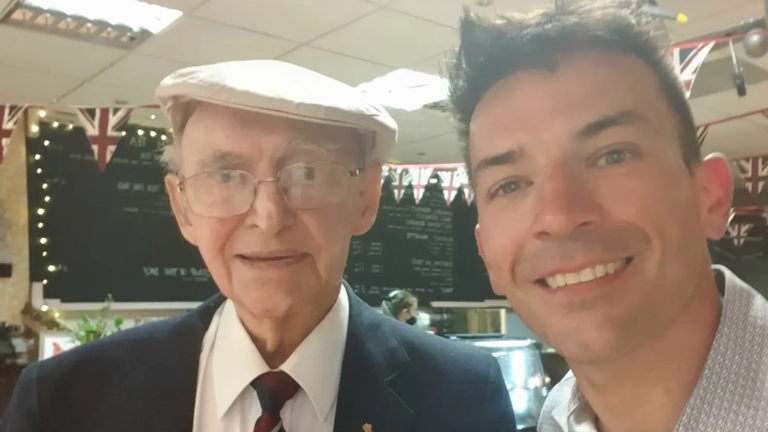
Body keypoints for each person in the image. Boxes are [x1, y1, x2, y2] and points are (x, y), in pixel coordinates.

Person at [0, 60, 517, 432]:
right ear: (182, 207)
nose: (268, 218)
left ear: (365, 197)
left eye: (308, 173)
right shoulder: (66, 399)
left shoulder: (462, 396)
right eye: (225, 175)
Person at [447, 1, 768, 431]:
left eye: (612, 155)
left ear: (709, 197)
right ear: (488, 256)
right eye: (510, 185)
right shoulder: (559, 418)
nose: (559, 216)